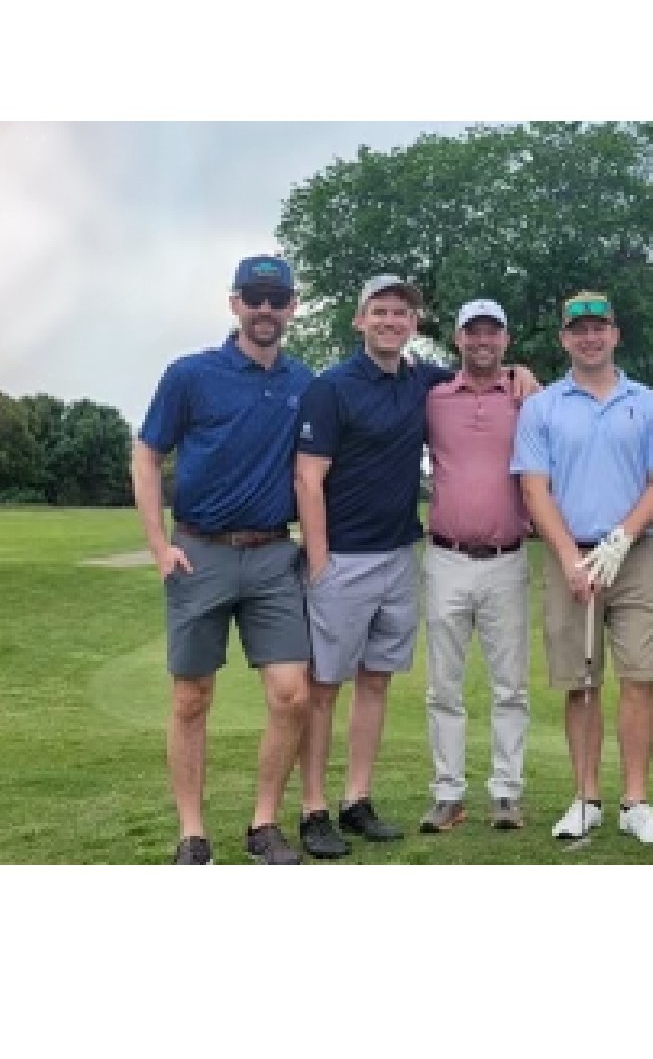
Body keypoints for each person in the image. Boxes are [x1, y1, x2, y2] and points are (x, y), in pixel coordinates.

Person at [293, 277, 538, 859]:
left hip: (403, 556)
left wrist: (523, 372)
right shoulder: (333, 388)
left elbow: (493, 373)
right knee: (325, 687)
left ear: (416, 325)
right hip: (347, 560)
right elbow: (308, 476)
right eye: (379, 312)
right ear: (360, 320)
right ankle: (313, 807)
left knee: (375, 682)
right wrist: (319, 560)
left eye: (401, 314)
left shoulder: (423, 382)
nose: (390, 321)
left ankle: (357, 799)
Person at [131, 254, 313, 865]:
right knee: (192, 696)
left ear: (291, 307)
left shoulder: (303, 383)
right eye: (254, 298)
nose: (266, 309)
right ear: (235, 303)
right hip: (199, 552)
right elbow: (148, 455)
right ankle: (192, 832)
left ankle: (264, 824)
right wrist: (159, 545)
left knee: (292, 693)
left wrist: (516, 374)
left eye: (277, 299)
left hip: (272, 555)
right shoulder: (191, 375)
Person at [511, 290, 653, 845]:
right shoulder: (543, 407)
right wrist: (568, 558)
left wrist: (621, 540)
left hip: (635, 556)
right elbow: (535, 488)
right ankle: (585, 797)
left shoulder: (648, 403)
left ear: (614, 334)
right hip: (570, 555)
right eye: (578, 329)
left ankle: (636, 800)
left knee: (640, 676)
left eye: (599, 327)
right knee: (579, 683)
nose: (589, 337)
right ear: (565, 338)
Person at [420, 299, 532, 834]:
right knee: (445, 685)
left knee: (510, 685)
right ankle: (448, 793)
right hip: (445, 557)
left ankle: (507, 792)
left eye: (492, 332)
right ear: (458, 339)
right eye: (473, 333)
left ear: (506, 340)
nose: (482, 341)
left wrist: (523, 377)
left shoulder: (527, 397)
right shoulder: (435, 398)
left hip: (508, 558)